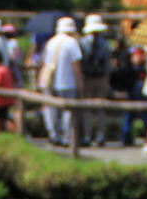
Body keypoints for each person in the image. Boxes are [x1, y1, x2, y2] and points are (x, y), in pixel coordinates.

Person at [38, 15, 83, 146]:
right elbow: (76, 65)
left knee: (52, 110)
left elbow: (45, 62)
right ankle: (66, 138)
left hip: (52, 82)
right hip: (68, 82)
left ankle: (54, 135)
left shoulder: (51, 42)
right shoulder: (72, 42)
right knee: (68, 112)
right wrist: (80, 82)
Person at [78, 15, 112, 142]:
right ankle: (100, 135)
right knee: (100, 108)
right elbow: (108, 64)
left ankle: (87, 135)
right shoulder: (105, 43)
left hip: (87, 78)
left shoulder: (82, 43)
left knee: (87, 108)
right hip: (101, 77)